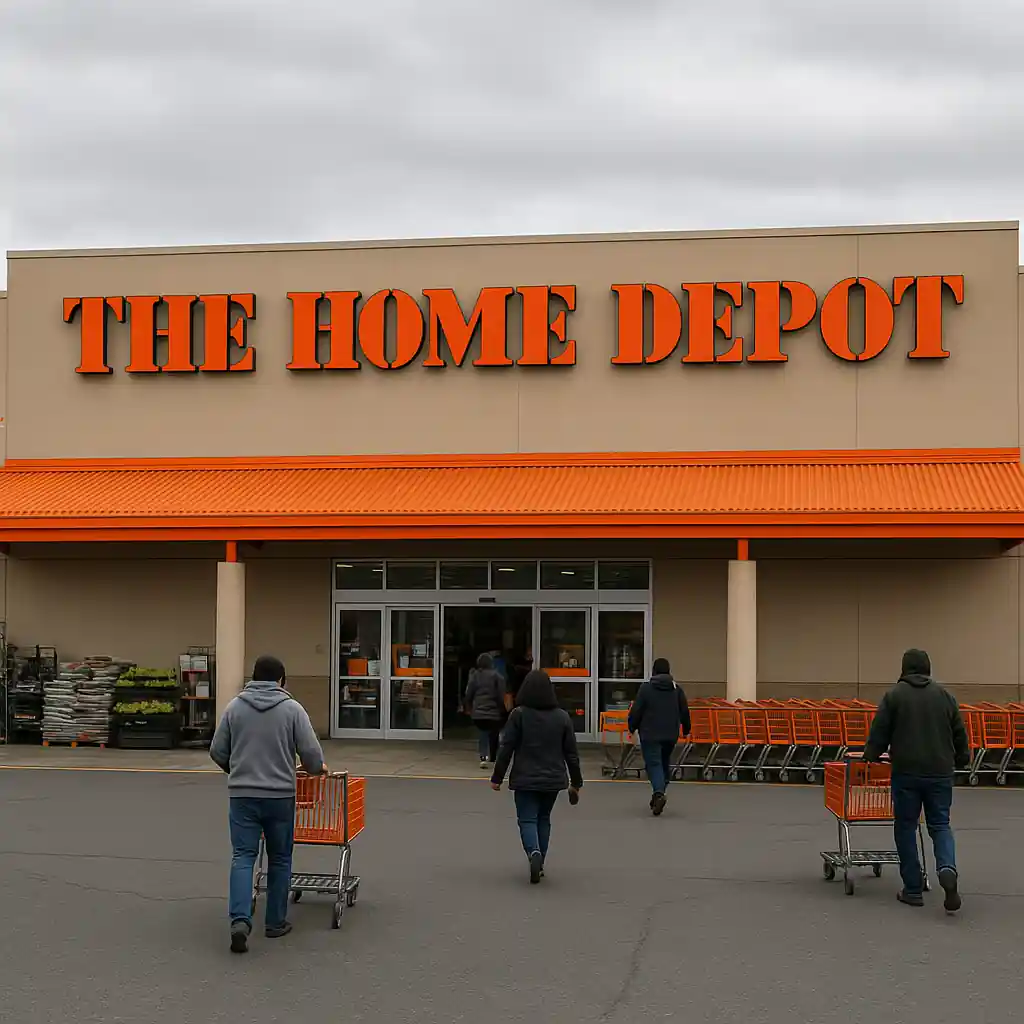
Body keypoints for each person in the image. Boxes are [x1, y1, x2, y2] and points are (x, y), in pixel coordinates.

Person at [210, 654, 326, 953]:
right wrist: (315, 770)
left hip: (243, 796)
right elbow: (312, 755)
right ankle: (275, 923)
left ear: (253, 678)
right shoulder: (292, 709)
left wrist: (236, 771)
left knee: (243, 856)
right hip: (279, 796)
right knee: (280, 858)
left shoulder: (234, 708)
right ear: (281, 681)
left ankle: (239, 920)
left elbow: (217, 750)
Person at [864, 648, 969, 913]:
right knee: (940, 825)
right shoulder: (945, 696)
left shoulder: (894, 696)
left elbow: (880, 730)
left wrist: (871, 755)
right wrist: (963, 758)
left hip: (907, 772)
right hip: (940, 771)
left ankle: (912, 889)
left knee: (906, 827)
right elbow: (959, 732)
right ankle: (947, 868)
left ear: (904, 668)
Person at [490, 669, 583, 883]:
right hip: (553, 778)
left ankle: (533, 853)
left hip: (525, 777)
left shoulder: (519, 715)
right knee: (544, 819)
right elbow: (571, 753)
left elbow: (507, 748)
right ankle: (540, 863)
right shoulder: (562, 717)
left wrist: (497, 777)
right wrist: (576, 782)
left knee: (527, 819)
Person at [627, 657, 691, 816]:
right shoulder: (677, 690)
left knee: (653, 764)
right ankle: (658, 794)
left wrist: (632, 726)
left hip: (650, 733)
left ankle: (659, 792)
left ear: (654, 671)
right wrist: (686, 729)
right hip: (670, 734)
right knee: (664, 763)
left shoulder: (646, 689)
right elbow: (684, 711)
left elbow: (637, 710)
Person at [464, 652, 507, 767]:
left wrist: (468, 706)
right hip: (493, 712)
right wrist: (501, 708)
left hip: (478, 712)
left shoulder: (475, 676)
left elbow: (469, 693)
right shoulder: (498, 677)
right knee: (494, 732)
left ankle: (483, 756)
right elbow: (500, 695)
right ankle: (493, 756)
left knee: (483, 732)